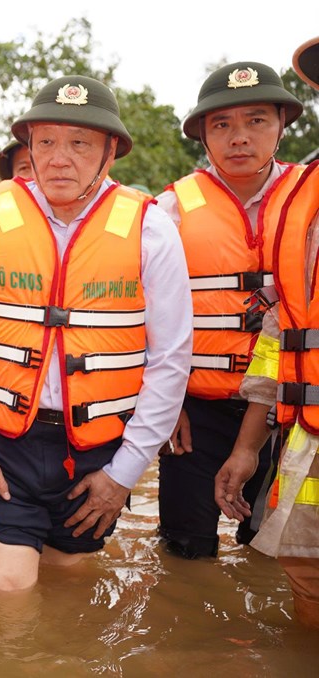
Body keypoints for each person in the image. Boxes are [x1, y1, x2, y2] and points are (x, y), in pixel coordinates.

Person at [0, 75, 192, 591]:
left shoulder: (150, 228)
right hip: (2, 443)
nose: (58, 158)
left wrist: (124, 474)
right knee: (7, 586)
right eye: (46, 141)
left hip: (98, 446)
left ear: (109, 152)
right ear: (27, 145)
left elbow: (170, 359)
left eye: (79, 143)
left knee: (69, 581)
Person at [156, 62, 303, 559]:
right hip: (195, 410)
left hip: (294, 411)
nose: (239, 137)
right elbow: (148, 316)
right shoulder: (168, 210)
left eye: (256, 120)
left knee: (278, 556)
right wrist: (165, 403)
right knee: (184, 553)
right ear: (202, 135)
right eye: (222, 125)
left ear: (282, 125)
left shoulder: (311, 200)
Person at [216, 36, 319, 628]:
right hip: (307, 439)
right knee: (306, 579)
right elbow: (283, 332)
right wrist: (248, 446)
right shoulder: (300, 197)